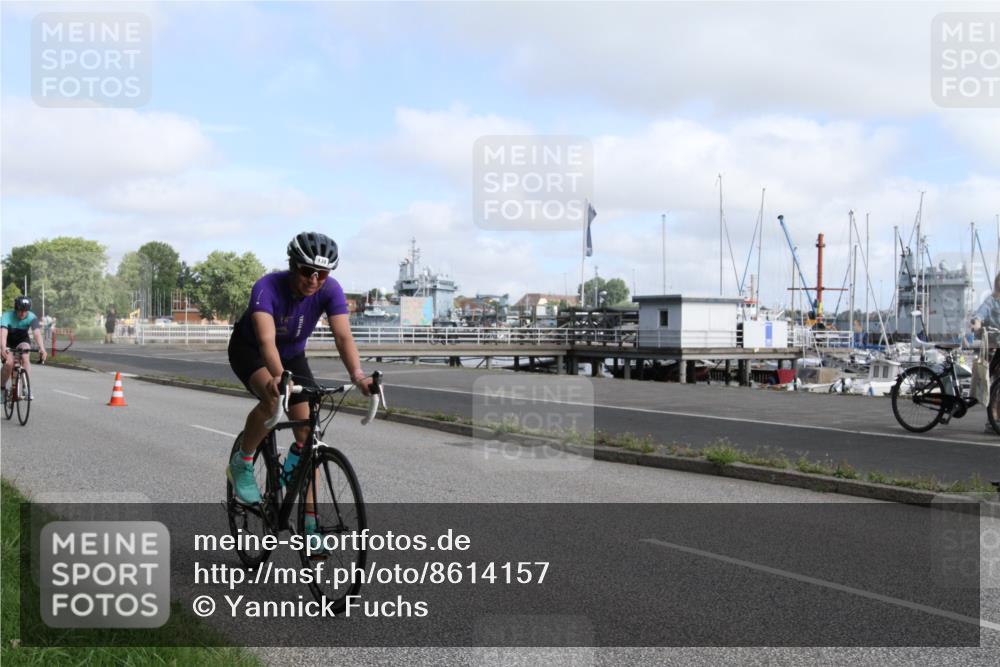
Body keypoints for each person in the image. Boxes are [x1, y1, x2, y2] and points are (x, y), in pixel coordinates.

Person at [227, 232, 373, 515]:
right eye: (308, 271)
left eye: (323, 274)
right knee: (273, 399)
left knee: (309, 439)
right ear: (293, 265)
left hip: (292, 355)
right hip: (252, 350)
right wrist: (281, 378)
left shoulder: (330, 290)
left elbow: (343, 338)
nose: (315, 280)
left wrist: (358, 375)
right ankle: (242, 463)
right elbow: (267, 341)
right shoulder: (266, 287)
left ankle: (309, 524)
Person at [1, 296, 48, 401]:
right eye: (20, 311)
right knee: (8, 363)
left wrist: (42, 348)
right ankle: (2, 388)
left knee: (25, 356)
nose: (23, 313)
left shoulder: (32, 317)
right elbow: (3, 334)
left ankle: (26, 388)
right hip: (8, 342)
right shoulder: (6, 316)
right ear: (15, 309)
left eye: (25, 311)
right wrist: (3, 348)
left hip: (22, 340)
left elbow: (37, 333)